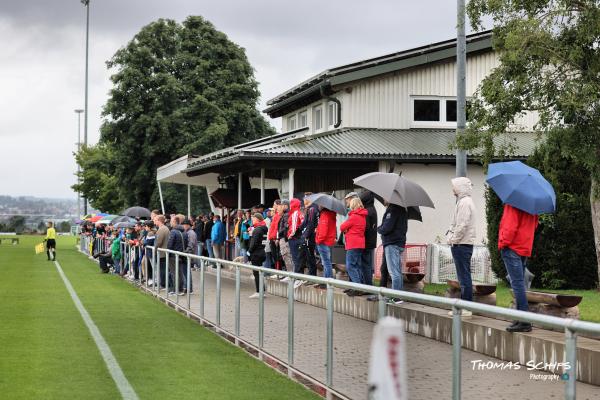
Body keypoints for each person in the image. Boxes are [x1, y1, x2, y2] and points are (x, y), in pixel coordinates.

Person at [499, 204, 538, 333]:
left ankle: (525, 321)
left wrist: (503, 243)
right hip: (524, 246)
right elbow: (535, 225)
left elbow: (510, 227)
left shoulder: (513, 203)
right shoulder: (533, 205)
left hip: (512, 247)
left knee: (517, 283)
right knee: (519, 283)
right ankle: (520, 318)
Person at [446, 177, 476, 317]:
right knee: (464, 277)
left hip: (461, 244)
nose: (452, 189)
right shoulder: (463, 202)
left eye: (454, 186)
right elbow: (456, 224)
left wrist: (453, 239)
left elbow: (462, 225)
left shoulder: (464, 203)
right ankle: (466, 306)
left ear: (460, 187)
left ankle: (466, 307)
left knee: (464, 278)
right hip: (462, 243)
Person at [378, 201, 408, 304]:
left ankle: (396, 298)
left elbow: (387, 227)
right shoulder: (402, 209)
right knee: (398, 272)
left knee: (394, 272)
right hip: (399, 243)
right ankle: (399, 296)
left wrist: (379, 229)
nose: (383, 198)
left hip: (392, 243)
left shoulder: (393, 209)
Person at [340, 198, 368, 295]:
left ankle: (357, 288)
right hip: (360, 244)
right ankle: (360, 287)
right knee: (357, 266)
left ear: (353, 205)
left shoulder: (354, 216)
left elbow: (342, 227)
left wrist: (346, 230)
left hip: (353, 244)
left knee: (350, 266)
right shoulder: (363, 216)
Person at [248, 213, 269, 298]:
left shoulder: (257, 230)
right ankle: (262, 291)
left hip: (256, 254)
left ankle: (258, 292)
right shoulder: (263, 229)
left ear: (258, 219)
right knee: (259, 273)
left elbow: (254, 243)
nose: (252, 220)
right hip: (261, 252)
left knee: (256, 273)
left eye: (253, 219)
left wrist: (249, 251)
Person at [315, 206, 337, 288]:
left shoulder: (325, 215)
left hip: (323, 242)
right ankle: (326, 281)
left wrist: (318, 240)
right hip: (328, 241)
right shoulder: (331, 214)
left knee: (326, 263)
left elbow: (323, 232)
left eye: (320, 205)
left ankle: (329, 282)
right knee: (326, 262)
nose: (319, 206)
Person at [298, 194, 319, 277]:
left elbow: (310, 224)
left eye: (305, 199)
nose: (303, 201)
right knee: (307, 257)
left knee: (310, 257)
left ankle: (312, 276)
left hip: (310, 237)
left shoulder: (312, 209)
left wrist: (305, 236)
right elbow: (305, 223)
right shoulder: (309, 209)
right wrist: (298, 229)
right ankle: (310, 275)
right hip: (308, 235)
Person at [360, 191, 377, 286]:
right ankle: (368, 284)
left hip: (366, 242)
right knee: (368, 265)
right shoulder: (372, 209)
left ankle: (367, 286)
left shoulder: (367, 211)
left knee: (365, 265)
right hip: (371, 241)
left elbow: (365, 227)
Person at [167, 215, 187, 295]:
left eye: (171, 221)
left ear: (174, 222)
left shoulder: (173, 232)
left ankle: (176, 290)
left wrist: (167, 251)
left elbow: (170, 244)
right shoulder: (184, 232)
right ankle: (181, 289)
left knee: (174, 273)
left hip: (173, 255)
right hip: (181, 255)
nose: (170, 223)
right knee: (180, 273)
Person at [287, 198, 305, 285]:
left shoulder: (295, 213)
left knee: (296, 258)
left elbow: (294, 227)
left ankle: (298, 277)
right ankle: (299, 277)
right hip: (299, 238)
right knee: (299, 258)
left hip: (294, 238)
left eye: (291, 204)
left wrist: (290, 236)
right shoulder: (300, 213)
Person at [278, 200, 294, 274]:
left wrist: (281, 233)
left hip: (285, 239)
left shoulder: (286, 214)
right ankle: (289, 274)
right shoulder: (285, 214)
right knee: (285, 256)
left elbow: (286, 227)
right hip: (284, 238)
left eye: (282, 205)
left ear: (285, 206)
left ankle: (290, 274)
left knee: (287, 256)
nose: (281, 207)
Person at [155, 215, 170, 289]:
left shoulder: (162, 229)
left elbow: (159, 242)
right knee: (163, 269)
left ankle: (163, 284)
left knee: (162, 269)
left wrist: (154, 249)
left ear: (159, 220)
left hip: (162, 253)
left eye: (155, 220)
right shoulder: (164, 228)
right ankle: (163, 284)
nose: (154, 221)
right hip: (163, 252)